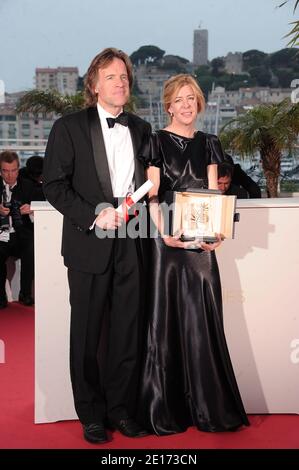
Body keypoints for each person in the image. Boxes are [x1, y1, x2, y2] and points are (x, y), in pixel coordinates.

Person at [43, 48, 151, 444]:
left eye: (124, 76)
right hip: (90, 242)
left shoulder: (140, 128)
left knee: (126, 332)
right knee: (87, 335)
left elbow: (153, 188)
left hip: (133, 242)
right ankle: (90, 414)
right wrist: (94, 215)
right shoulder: (68, 127)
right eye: (110, 77)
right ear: (94, 85)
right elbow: (54, 185)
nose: (120, 82)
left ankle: (121, 410)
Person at [138, 74, 249, 435]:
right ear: (169, 105)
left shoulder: (210, 143)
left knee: (203, 318)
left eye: (192, 99)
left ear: (199, 104)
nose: (186, 105)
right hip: (167, 241)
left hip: (202, 243)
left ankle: (209, 405)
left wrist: (218, 232)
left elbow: (213, 193)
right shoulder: (155, 140)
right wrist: (163, 233)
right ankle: (165, 408)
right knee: (165, 317)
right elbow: (153, 195)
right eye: (180, 100)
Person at [0, 151, 36, 308]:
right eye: (5, 171)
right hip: (1, 235)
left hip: (22, 234)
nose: (10, 175)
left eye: (13, 170)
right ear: (0, 171)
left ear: (18, 168)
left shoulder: (28, 186)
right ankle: (1, 297)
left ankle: (25, 294)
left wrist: (32, 209)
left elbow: (43, 209)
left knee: (31, 248)